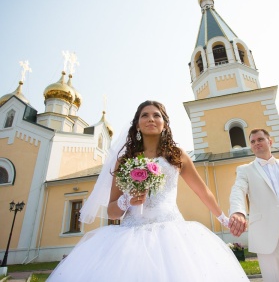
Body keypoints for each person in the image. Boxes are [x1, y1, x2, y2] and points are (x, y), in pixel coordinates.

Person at [47, 100, 249, 281]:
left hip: (172, 235)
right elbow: (111, 211)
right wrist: (127, 200)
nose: (151, 119)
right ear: (137, 124)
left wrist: (224, 219)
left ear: (165, 124)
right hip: (129, 238)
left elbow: (203, 191)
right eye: (145, 115)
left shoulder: (177, 156)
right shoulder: (124, 160)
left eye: (156, 115)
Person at [229, 128, 279, 282]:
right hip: (267, 238)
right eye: (253, 141)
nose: (256, 143)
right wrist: (238, 212)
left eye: (260, 139)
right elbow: (238, 190)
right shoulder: (245, 170)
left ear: (270, 141)